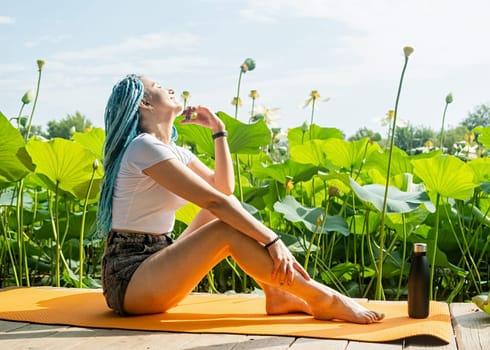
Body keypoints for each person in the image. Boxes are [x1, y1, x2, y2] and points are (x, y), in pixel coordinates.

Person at [97, 74, 385, 324]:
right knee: (223, 225)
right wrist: (273, 241)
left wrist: (218, 130)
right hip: (130, 279)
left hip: (157, 259)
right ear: (145, 104)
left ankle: (277, 294)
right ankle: (324, 299)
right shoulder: (143, 147)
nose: (170, 89)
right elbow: (215, 201)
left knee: (219, 216)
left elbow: (223, 189)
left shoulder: (173, 150)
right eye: (159, 86)